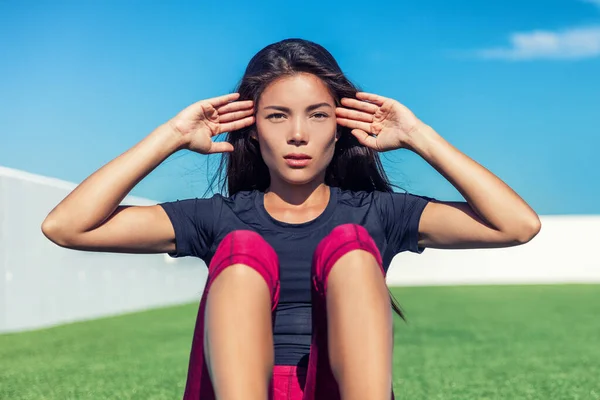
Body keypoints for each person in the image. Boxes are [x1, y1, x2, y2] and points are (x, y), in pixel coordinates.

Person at [41, 38, 541, 400]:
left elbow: (516, 225)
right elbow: (68, 226)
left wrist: (420, 136)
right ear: (253, 129)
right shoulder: (219, 218)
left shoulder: (379, 214)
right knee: (242, 252)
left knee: (349, 247)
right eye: (278, 115)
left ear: (342, 126)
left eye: (318, 115)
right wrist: (170, 135)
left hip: (342, 388)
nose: (298, 134)